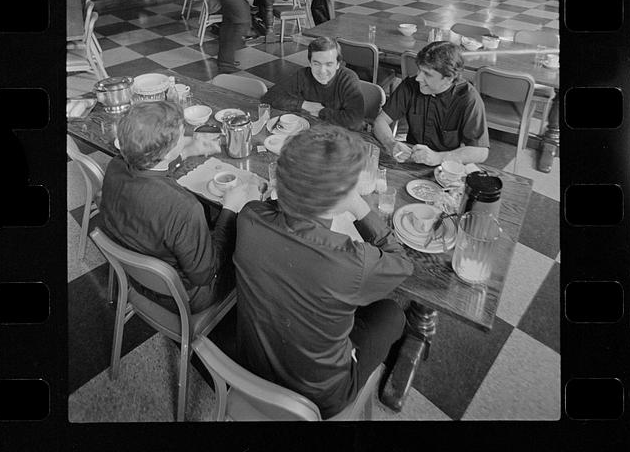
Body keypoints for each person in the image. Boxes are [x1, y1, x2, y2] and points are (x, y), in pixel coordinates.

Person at [233, 124, 412, 419]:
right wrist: (359, 208)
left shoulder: (249, 216)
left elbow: (277, 210)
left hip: (251, 365)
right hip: (321, 398)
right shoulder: (351, 261)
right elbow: (402, 264)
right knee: (392, 313)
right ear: (337, 200)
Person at [100, 101, 255, 314]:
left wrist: (187, 151)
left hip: (138, 276)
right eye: (183, 136)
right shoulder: (184, 207)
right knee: (252, 250)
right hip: (184, 295)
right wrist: (229, 209)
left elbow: (148, 168)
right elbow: (204, 275)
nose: (187, 138)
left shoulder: (115, 165)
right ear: (166, 152)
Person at [372, 41, 490, 165]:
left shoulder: (468, 98)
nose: (418, 78)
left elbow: (481, 152)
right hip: (412, 159)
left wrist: (438, 158)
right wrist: (390, 143)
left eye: (427, 74)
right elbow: (381, 121)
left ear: (448, 79)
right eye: (419, 70)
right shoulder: (410, 85)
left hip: (447, 164)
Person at [262, 36, 365, 130]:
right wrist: (304, 104)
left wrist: (321, 112)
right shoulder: (303, 75)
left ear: (338, 64)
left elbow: (355, 122)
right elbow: (269, 97)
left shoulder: (348, 78)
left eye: (329, 64)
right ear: (310, 63)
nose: (322, 71)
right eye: (316, 64)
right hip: (310, 130)